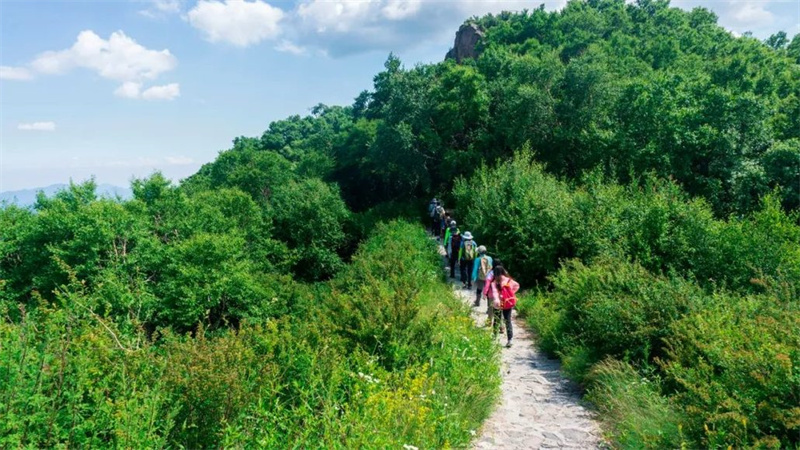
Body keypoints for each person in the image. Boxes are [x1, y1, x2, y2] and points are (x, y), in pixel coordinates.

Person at [483, 261, 519, 348]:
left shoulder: (494, 283)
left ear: (494, 273)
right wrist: (511, 294)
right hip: (507, 302)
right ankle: (510, 340)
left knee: (497, 320)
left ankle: (494, 337)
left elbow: (495, 293)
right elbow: (517, 285)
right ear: (503, 272)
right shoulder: (509, 280)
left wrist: (497, 299)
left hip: (497, 304)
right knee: (508, 321)